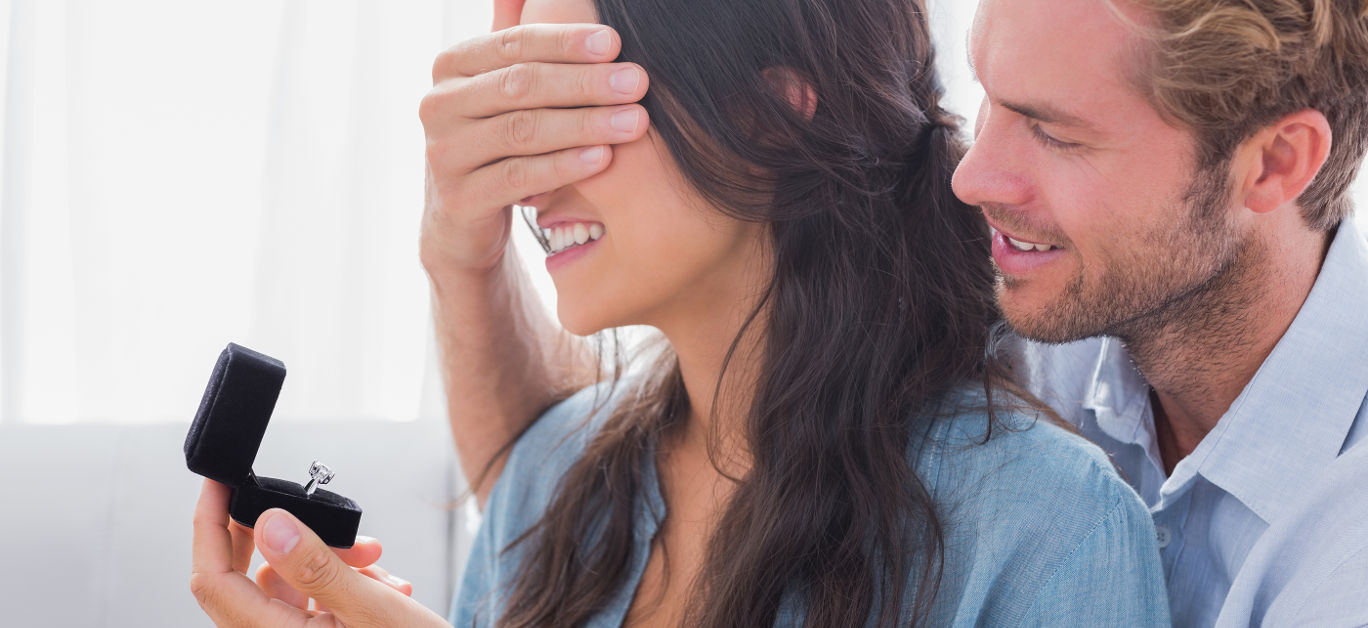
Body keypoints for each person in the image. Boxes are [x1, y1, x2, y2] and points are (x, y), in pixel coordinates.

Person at [189, 0, 1172, 626]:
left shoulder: (1044, 527)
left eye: (568, 110)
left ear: (771, 120)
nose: (524, 180)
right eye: (508, 120)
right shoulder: (550, 480)